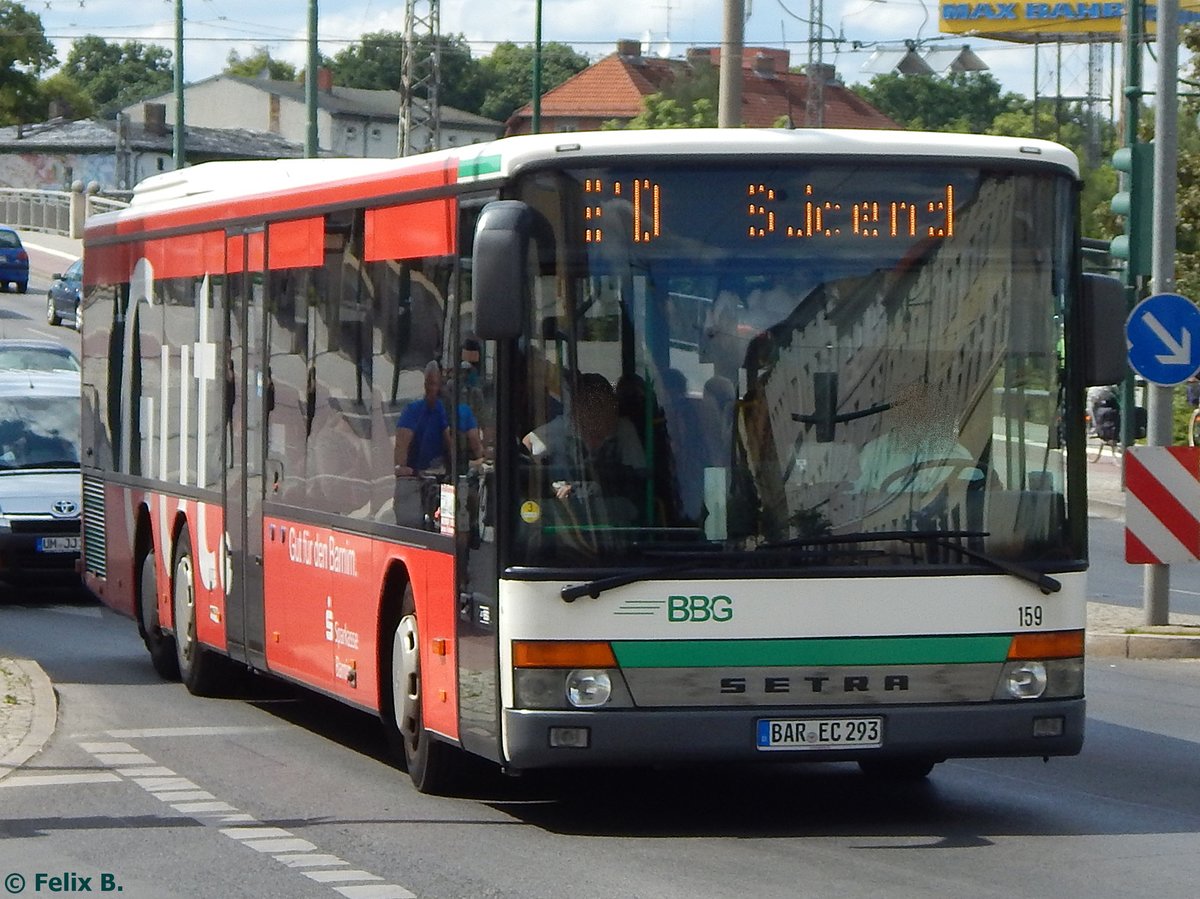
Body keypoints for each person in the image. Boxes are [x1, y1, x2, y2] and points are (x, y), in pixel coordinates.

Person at [523, 372, 644, 501]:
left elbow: (639, 474)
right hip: (565, 508)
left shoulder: (624, 429)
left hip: (613, 507)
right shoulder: (560, 429)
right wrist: (551, 488)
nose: (599, 411)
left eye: (605, 404)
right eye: (591, 404)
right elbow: (527, 446)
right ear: (576, 408)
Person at [854, 382, 982, 494]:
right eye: (913, 410)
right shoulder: (876, 451)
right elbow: (854, 496)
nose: (919, 417)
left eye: (927, 411)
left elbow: (967, 493)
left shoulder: (956, 455)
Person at [394, 361, 452, 477]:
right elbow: (402, 444)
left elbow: (450, 442)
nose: (434, 389)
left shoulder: (444, 409)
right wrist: (402, 468)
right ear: (425, 385)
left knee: (450, 494)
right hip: (417, 476)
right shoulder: (412, 410)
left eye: (437, 385)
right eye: (430, 384)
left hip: (441, 475)